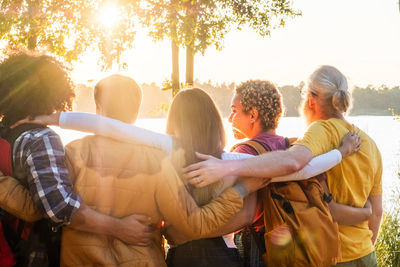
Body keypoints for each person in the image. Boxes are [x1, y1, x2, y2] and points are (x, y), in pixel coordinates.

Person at [20, 88, 360, 266]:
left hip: (184, 254)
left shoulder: (169, 147)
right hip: (223, 256)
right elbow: (303, 167)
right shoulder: (235, 160)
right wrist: (341, 153)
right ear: (214, 120)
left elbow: (108, 126)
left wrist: (48, 117)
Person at [184, 66, 383, 266]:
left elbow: (294, 164)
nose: (230, 118)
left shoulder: (319, 132)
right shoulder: (368, 144)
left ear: (311, 99)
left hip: (327, 254)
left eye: (234, 111)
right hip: (365, 254)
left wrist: (191, 230)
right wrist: (365, 248)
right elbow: (376, 212)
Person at [0, 51, 157, 266]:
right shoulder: (41, 139)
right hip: (37, 256)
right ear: (51, 93)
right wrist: (119, 228)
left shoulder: (4, 134)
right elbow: (60, 208)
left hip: (9, 248)